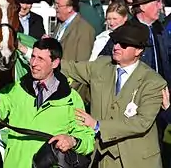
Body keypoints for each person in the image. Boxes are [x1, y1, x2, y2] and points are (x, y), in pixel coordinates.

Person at [61, 23, 166, 168]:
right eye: (115, 41)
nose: (116, 47)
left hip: (136, 160)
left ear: (138, 50)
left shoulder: (153, 82)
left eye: (123, 45)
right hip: (100, 158)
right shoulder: (101, 65)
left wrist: (97, 125)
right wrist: (30, 53)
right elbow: (69, 68)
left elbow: (142, 122)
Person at [0, 37, 95, 168]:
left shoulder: (71, 99)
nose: (34, 63)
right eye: (33, 57)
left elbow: (87, 139)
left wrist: (72, 141)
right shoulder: (15, 89)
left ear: (55, 63)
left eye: (41, 59)